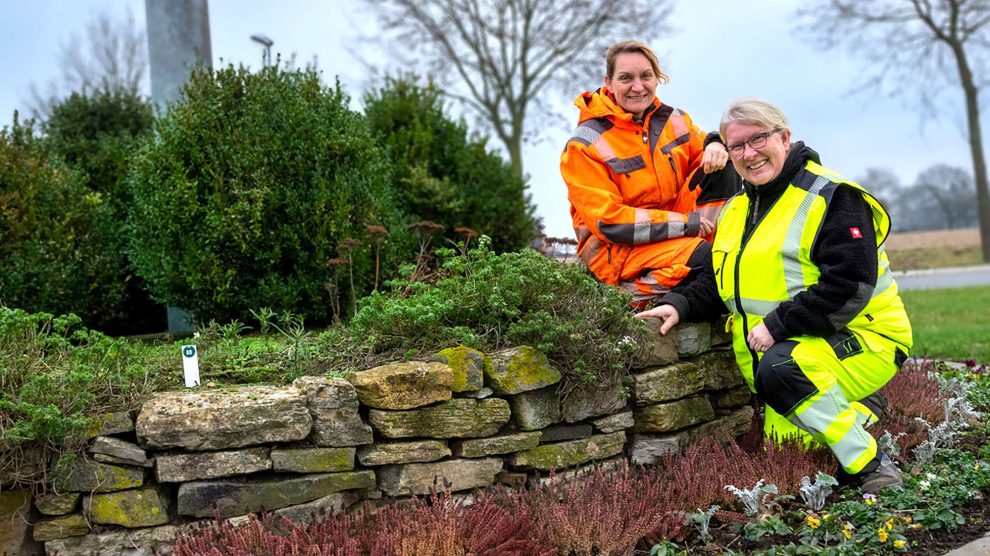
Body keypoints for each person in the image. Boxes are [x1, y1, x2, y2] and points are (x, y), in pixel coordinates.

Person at [636, 97, 913, 494]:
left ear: (784, 137)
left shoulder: (834, 196)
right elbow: (722, 279)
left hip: (866, 340)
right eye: (737, 146)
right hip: (791, 355)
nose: (749, 154)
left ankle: (871, 466)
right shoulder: (736, 209)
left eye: (758, 139)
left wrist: (778, 324)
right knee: (789, 455)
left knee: (786, 373)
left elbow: (851, 283)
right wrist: (678, 304)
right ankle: (861, 410)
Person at [560, 40, 740, 305]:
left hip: (674, 231)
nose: (638, 86)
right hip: (619, 252)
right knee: (710, 263)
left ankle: (724, 253)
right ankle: (623, 297)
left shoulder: (675, 120)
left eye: (646, 76)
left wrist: (716, 143)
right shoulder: (583, 145)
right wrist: (684, 225)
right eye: (626, 78)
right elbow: (610, 223)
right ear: (608, 82)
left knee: (724, 165)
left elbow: (705, 156)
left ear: (657, 78)